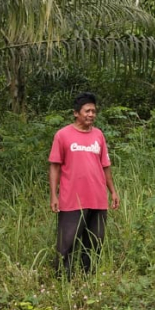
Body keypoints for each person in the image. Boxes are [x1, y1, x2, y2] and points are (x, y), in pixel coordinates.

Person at [49, 92, 119, 278]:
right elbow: (55, 166)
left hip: (97, 198)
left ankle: (88, 277)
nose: (91, 115)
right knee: (67, 241)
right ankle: (63, 279)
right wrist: (54, 195)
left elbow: (105, 166)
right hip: (72, 199)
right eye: (87, 111)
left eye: (94, 111)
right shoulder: (63, 135)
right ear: (76, 113)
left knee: (95, 241)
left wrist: (113, 191)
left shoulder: (99, 135)